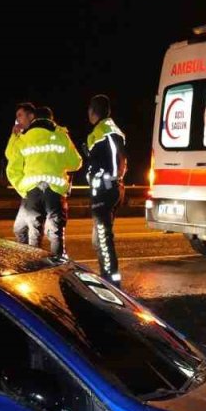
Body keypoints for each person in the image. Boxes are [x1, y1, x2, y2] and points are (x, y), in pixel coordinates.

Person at [5, 106, 83, 258]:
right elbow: (75, 163)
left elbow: (11, 158)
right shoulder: (60, 135)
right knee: (56, 232)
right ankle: (59, 268)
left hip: (32, 189)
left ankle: (34, 266)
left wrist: (23, 187)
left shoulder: (24, 137)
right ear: (51, 119)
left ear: (34, 118)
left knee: (34, 232)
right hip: (54, 189)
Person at [83, 94, 127, 286]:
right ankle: (108, 274)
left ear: (93, 112)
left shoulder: (102, 131)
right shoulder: (113, 128)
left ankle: (110, 279)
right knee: (99, 238)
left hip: (105, 189)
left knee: (103, 237)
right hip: (114, 187)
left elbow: (106, 162)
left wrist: (97, 174)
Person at [6, 102, 39, 245]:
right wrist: (14, 135)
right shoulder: (23, 135)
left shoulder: (36, 135)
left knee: (33, 231)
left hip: (37, 189)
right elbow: (9, 154)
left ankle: (35, 262)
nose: (18, 119)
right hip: (26, 190)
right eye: (16, 116)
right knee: (19, 229)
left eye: (20, 115)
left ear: (31, 116)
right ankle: (26, 258)